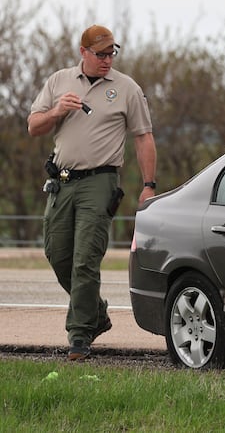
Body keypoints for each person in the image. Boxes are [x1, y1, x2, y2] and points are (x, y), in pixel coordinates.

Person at [27, 25, 157, 360]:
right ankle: (96, 313)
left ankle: (79, 336)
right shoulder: (59, 81)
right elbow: (33, 126)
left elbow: (143, 137)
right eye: (100, 54)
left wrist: (148, 185)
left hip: (100, 182)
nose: (107, 59)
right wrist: (57, 111)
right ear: (83, 52)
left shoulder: (126, 88)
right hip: (62, 181)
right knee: (58, 255)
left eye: (112, 52)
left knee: (86, 260)